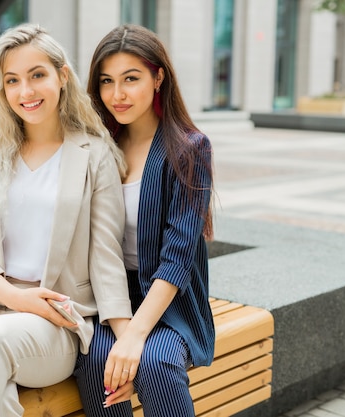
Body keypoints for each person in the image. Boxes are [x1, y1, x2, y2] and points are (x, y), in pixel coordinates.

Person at [0, 23, 133, 417]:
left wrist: (126, 342)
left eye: (37, 75)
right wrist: (13, 296)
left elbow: (107, 258)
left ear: (62, 76)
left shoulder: (94, 155)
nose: (26, 92)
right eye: (12, 80)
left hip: (53, 322)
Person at [73, 24, 216, 417]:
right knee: (95, 360)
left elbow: (178, 257)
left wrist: (136, 335)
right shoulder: (99, 145)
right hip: (112, 296)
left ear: (158, 78)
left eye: (131, 79)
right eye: (106, 81)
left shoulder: (188, 148)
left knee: (155, 363)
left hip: (170, 301)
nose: (117, 95)